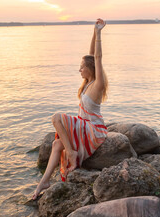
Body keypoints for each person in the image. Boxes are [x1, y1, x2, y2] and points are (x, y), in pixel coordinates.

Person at [32, 18, 109, 200]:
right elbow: (91, 55)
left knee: (57, 118)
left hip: (94, 130)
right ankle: (44, 182)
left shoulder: (98, 84)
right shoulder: (88, 82)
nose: (79, 70)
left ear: (90, 69)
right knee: (57, 144)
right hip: (84, 126)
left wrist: (99, 33)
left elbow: (96, 58)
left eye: (82, 67)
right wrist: (93, 30)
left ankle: (72, 155)